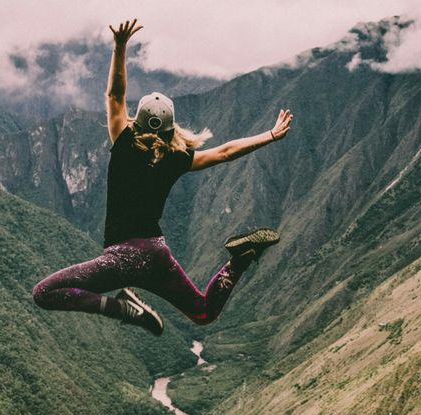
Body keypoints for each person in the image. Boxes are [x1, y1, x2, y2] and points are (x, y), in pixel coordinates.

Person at [32, 19, 293, 335]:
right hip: (157, 254)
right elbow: (225, 152)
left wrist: (119, 46)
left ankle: (123, 308)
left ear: (137, 121)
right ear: (172, 128)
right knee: (203, 312)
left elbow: (115, 94)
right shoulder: (177, 158)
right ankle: (238, 261)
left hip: (122, 258)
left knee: (44, 293)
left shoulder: (125, 142)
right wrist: (270, 135)